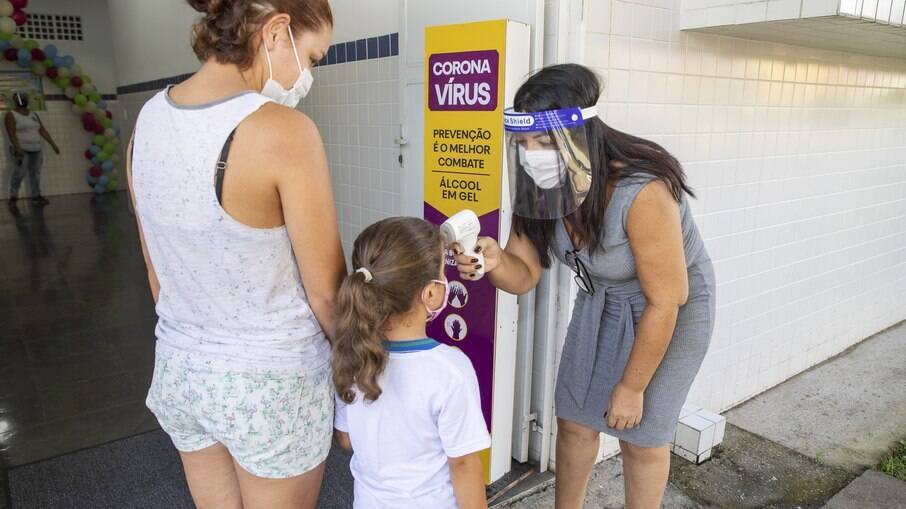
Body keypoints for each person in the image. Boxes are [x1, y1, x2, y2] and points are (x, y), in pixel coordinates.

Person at [455, 64, 716, 509]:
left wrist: (631, 388)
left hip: (669, 312)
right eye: (523, 143)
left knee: (641, 436)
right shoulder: (539, 187)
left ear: (581, 134)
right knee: (574, 419)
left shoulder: (641, 190)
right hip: (600, 301)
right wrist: (495, 263)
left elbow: (666, 299)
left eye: (543, 142)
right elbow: (524, 275)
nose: (532, 153)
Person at [127, 1, 343, 508]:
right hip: (272, 387)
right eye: (312, 58)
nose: (306, 75)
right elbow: (327, 294)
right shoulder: (283, 132)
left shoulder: (147, 121)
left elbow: (158, 277)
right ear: (276, 32)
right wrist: (369, 369)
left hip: (183, 371)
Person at [332, 217, 490, 509]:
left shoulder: (352, 355)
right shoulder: (451, 370)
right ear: (430, 293)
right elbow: (464, 464)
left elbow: (346, 439)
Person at [5, 91, 59, 206]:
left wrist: (53, 144)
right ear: (16, 101)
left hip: (36, 148)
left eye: (24, 98)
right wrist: (17, 148)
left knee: (35, 173)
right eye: (21, 98)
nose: (23, 100)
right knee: (19, 173)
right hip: (21, 149)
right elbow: (11, 133)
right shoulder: (11, 114)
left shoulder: (33, 114)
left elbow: (42, 130)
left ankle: (36, 196)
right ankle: (13, 196)